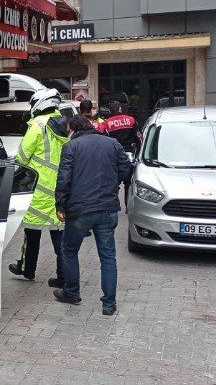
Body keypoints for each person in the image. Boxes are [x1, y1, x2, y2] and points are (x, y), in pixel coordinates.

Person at [53, 115, 132, 316]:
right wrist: (113, 185)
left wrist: (60, 205)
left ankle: (71, 293)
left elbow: (64, 179)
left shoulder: (71, 147)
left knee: (69, 250)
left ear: (73, 128)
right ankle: (109, 304)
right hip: (108, 208)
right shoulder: (112, 143)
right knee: (108, 257)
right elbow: (126, 169)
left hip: (80, 210)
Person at [8, 89, 71, 287]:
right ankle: (63, 277)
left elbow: (22, 157)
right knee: (60, 237)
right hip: (62, 191)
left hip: (38, 191)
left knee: (32, 233)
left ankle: (28, 269)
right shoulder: (66, 124)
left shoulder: (37, 125)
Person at [102, 102, 140, 205]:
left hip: (113, 156)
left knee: (113, 183)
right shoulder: (131, 120)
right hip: (129, 154)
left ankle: (112, 204)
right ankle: (128, 205)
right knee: (128, 183)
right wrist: (138, 153)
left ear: (110, 110)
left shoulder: (106, 124)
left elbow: (103, 141)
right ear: (120, 109)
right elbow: (138, 139)